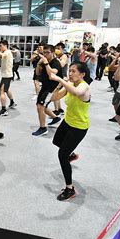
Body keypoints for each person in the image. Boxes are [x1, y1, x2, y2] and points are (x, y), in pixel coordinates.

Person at [49, 62, 92, 201]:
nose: (70, 73)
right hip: (67, 122)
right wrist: (60, 85)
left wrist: (60, 79)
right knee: (56, 141)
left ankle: (69, 189)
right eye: (70, 71)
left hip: (79, 127)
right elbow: (54, 98)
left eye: (74, 71)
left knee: (62, 155)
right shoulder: (70, 85)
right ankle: (71, 154)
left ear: (82, 74)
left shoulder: (84, 86)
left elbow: (77, 93)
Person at [32, 45, 62, 137]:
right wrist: (39, 64)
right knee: (40, 105)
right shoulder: (44, 61)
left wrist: (45, 63)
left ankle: (43, 128)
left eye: (47, 52)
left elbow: (51, 74)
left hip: (52, 88)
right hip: (45, 86)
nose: (45, 54)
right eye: (44, 53)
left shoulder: (56, 62)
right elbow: (37, 73)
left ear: (53, 52)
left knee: (40, 106)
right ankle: (55, 118)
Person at [0, 40, 16, 116]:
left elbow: (3, 55)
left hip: (7, 75)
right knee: (7, 89)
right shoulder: (5, 52)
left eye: (1, 46)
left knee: (1, 91)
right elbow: (1, 57)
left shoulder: (7, 52)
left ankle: (4, 110)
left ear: (6, 46)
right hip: (7, 75)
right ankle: (12, 102)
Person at [53, 43, 68, 116]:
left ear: (62, 49)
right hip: (58, 77)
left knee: (55, 94)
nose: (57, 50)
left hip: (62, 77)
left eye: (59, 48)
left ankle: (56, 110)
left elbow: (62, 64)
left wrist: (55, 58)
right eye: (56, 48)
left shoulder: (64, 56)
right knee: (56, 94)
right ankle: (59, 109)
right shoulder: (57, 56)